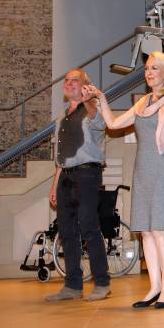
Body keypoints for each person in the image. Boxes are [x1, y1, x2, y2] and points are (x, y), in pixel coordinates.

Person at [82, 51, 164, 309]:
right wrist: (100, 97)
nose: (149, 72)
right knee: (145, 230)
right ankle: (154, 287)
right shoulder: (143, 102)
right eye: (147, 68)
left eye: (154, 68)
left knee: (159, 228)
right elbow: (112, 124)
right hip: (143, 167)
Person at [45, 68, 111, 302]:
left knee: (89, 227)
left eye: (75, 80)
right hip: (65, 176)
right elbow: (61, 156)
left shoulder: (93, 108)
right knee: (67, 231)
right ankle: (72, 285)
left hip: (87, 174)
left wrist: (90, 101)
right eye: (67, 80)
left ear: (85, 85)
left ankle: (102, 282)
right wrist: (54, 186)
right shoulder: (62, 118)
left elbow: (100, 124)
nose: (69, 83)